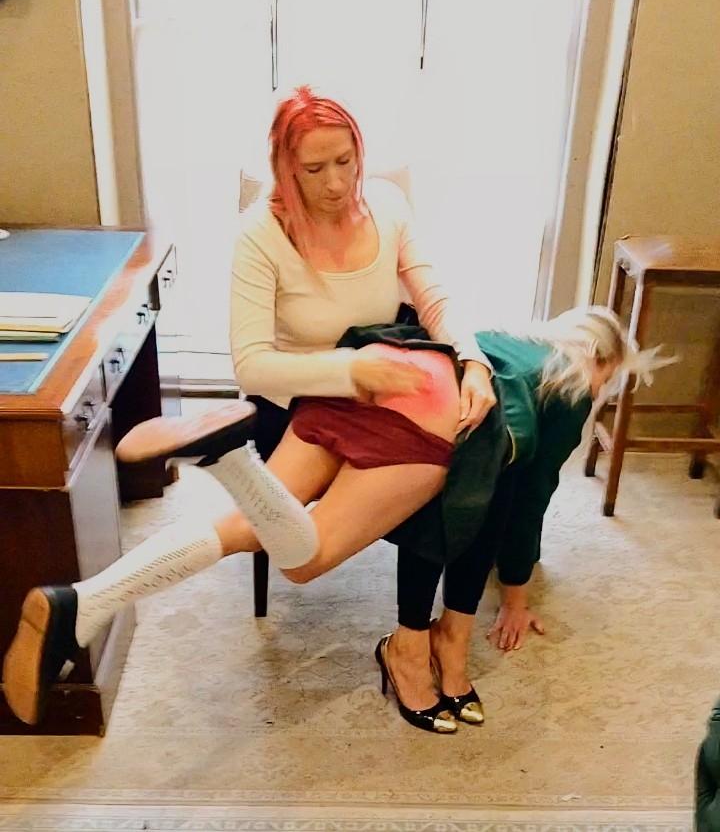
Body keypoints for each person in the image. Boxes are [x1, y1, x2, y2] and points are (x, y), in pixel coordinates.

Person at [2, 86, 497, 731]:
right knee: (293, 550)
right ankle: (107, 577)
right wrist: (350, 372)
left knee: (276, 541)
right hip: (320, 395)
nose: (335, 183)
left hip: (405, 393)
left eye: (345, 161)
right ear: (284, 168)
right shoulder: (261, 234)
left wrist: (474, 361)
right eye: (313, 169)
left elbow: (434, 296)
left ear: (360, 153)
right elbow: (252, 366)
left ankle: (89, 598)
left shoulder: (387, 205)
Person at [385, 306, 673, 727]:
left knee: (486, 479)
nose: (600, 391)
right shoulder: (571, 385)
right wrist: (516, 600)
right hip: (450, 448)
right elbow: (530, 499)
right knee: (494, 490)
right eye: (607, 377)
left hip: (409, 413)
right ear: (597, 355)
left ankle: (449, 639)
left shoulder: (504, 339)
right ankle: (426, 644)